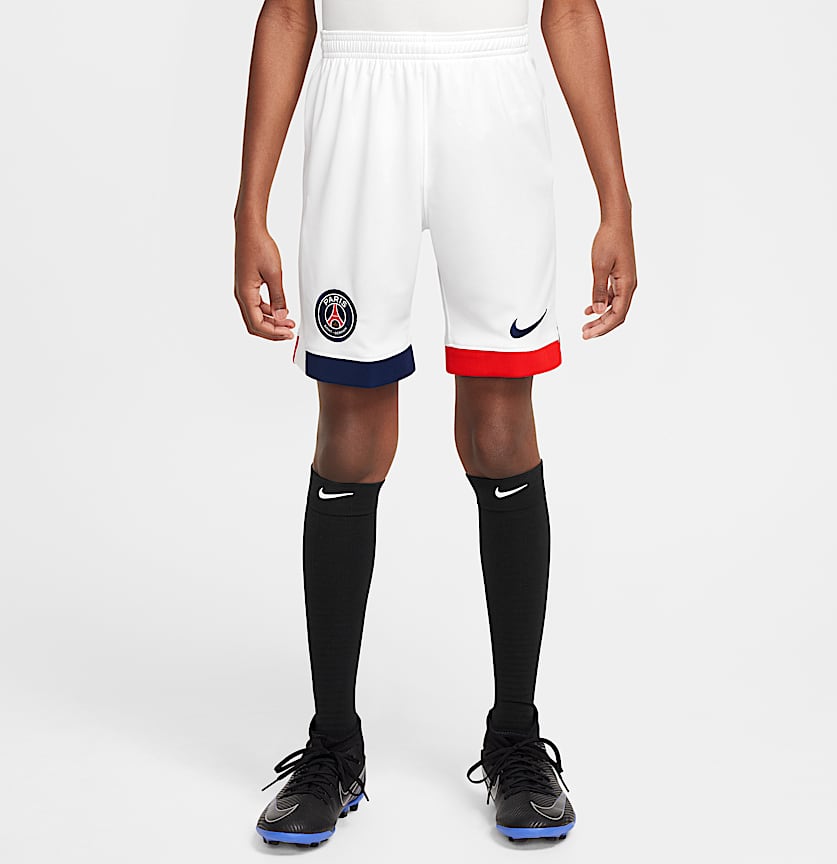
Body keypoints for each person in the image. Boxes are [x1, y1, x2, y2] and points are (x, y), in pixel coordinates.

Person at [234, 0, 636, 847]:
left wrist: (616, 201)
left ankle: (516, 737)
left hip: (490, 91)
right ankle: (333, 745)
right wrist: (250, 208)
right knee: (350, 429)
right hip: (358, 91)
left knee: (500, 426)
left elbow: (568, 10)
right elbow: (289, 12)